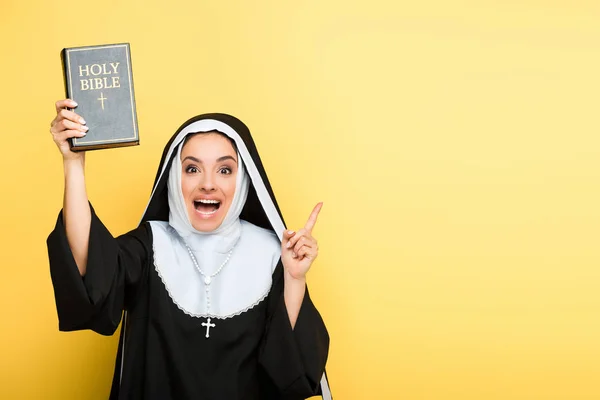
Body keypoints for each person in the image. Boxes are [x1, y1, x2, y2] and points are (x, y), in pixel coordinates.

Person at [47, 99, 332, 400]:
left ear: (244, 179)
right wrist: (73, 164)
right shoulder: (151, 244)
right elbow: (88, 269)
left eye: (225, 170)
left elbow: (291, 374)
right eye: (192, 168)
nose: (208, 184)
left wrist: (295, 279)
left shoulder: (272, 253)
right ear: (174, 177)